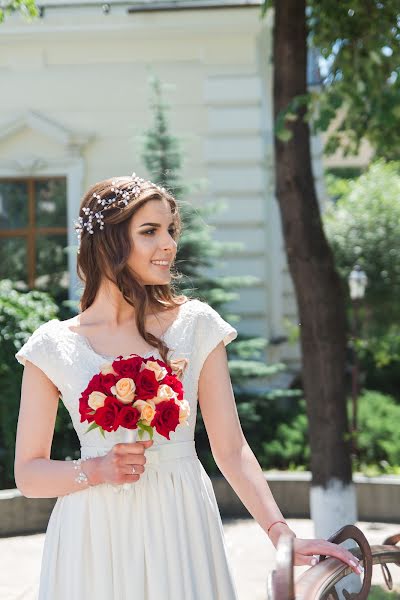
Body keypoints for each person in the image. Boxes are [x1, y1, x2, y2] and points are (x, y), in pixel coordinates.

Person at [14, 173, 363, 599]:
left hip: (178, 518)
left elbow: (231, 449)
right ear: (107, 241)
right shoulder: (54, 345)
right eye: (150, 231)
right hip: (92, 532)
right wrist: (97, 469)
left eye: (170, 231)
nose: (169, 244)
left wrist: (281, 535)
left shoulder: (195, 325)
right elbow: (28, 475)